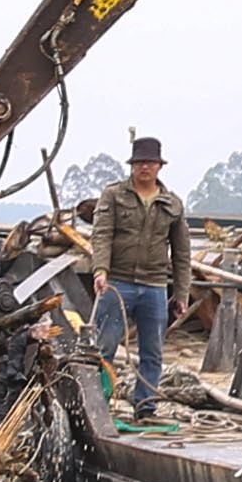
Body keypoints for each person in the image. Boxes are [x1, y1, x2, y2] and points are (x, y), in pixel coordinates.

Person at [91, 135, 189, 422]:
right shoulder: (114, 195)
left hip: (155, 286)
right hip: (117, 284)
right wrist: (100, 270)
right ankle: (97, 404)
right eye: (139, 162)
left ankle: (145, 407)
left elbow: (182, 253)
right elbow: (102, 235)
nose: (145, 167)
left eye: (150, 162)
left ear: (159, 166)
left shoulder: (173, 204)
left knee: (152, 352)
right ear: (132, 165)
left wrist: (181, 293)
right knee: (103, 348)